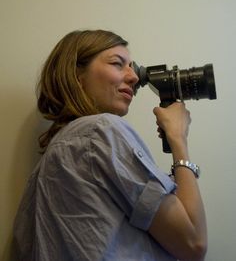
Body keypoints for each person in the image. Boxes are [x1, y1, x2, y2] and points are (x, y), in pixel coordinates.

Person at [14, 30, 207, 261]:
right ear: (76, 75)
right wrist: (178, 138)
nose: (134, 77)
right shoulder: (101, 131)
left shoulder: (57, 155)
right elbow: (193, 243)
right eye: (118, 64)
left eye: (132, 67)